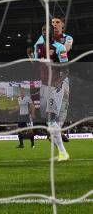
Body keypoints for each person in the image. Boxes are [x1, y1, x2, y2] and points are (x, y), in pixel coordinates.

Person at [33, 16, 72, 161]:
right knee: (49, 121)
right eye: (42, 30)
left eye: (47, 30)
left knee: (50, 118)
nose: (44, 32)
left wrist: (58, 83)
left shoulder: (60, 47)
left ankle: (63, 153)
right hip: (44, 86)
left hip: (55, 86)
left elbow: (66, 69)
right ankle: (62, 152)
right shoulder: (39, 47)